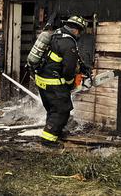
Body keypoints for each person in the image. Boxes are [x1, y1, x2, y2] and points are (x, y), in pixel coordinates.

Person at [34, 15, 88, 147]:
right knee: (61, 111)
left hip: (42, 80)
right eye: (80, 32)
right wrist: (70, 84)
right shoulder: (69, 43)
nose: (79, 35)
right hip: (53, 83)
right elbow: (69, 70)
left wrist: (82, 68)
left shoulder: (56, 34)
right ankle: (48, 140)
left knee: (53, 110)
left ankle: (54, 132)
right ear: (76, 30)